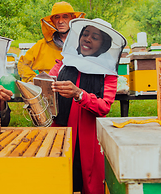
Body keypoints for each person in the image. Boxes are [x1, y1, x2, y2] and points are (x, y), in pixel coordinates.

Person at [49, 18, 127, 194]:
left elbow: (105, 106)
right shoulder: (63, 63)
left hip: (88, 137)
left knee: (90, 183)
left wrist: (79, 94)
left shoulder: (108, 73)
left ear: (104, 44)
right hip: (60, 130)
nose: (87, 39)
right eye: (85, 34)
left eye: (95, 37)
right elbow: (47, 84)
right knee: (60, 180)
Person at [17, 1, 85, 82]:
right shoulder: (42, 45)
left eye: (65, 17)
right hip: (49, 92)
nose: (60, 21)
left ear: (72, 18)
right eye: (57, 17)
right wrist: (34, 80)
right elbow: (22, 64)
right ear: (52, 21)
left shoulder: (83, 44)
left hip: (75, 91)